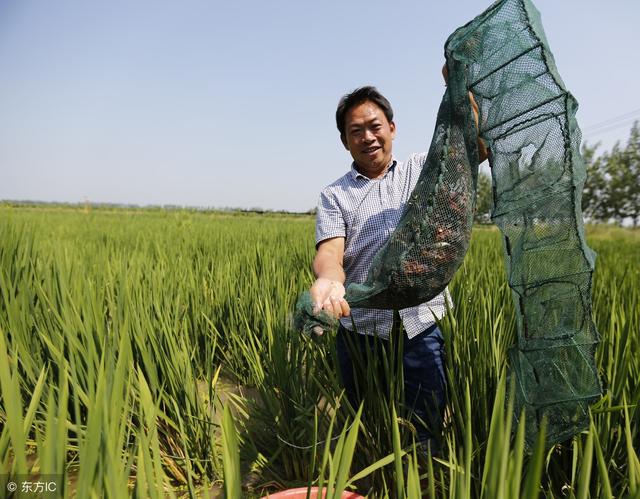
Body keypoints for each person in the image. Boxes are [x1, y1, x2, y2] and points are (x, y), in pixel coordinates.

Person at [309, 82, 486, 448]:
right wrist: (329, 279)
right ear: (345, 141)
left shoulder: (424, 169)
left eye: (375, 126)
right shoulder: (334, 195)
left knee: (426, 426)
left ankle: (421, 478)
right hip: (361, 331)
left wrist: (460, 87)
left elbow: (476, 147)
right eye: (355, 131)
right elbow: (330, 253)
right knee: (366, 422)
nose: (368, 137)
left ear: (392, 128)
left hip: (421, 324)